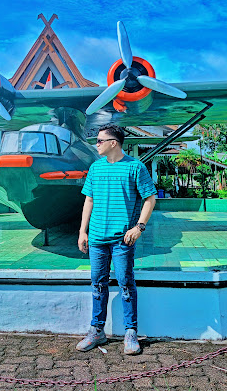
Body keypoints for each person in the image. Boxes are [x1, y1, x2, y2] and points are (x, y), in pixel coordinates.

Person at [76, 124, 156, 355]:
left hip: (122, 239)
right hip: (97, 239)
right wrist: (82, 231)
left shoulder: (135, 167)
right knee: (97, 284)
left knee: (125, 283)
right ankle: (96, 331)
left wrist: (139, 227)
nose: (96, 144)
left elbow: (150, 199)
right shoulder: (95, 167)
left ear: (114, 143)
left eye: (100, 141)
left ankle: (131, 332)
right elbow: (89, 200)